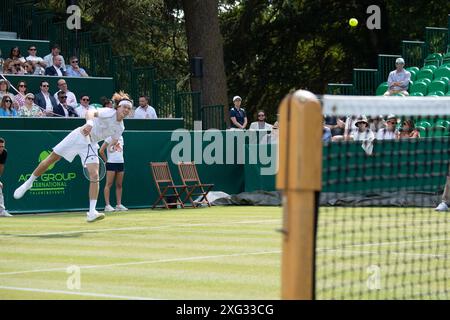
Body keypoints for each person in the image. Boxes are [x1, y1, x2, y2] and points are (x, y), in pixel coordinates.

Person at [13, 92, 133, 223]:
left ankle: (92, 212)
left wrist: (113, 147)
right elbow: (90, 112)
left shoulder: (121, 127)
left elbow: (113, 142)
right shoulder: (108, 112)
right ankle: (28, 183)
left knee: (95, 175)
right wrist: (89, 123)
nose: (126, 110)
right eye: (124, 107)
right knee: (52, 159)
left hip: (91, 144)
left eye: (129, 108)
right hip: (79, 136)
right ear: (118, 107)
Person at [100, 136, 128, 212]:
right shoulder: (108, 138)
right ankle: (107, 206)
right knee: (108, 184)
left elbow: (120, 150)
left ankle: (118, 205)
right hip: (111, 163)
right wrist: (106, 161)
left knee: (119, 185)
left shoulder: (121, 137)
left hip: (121, 163)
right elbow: (101, 150)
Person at [0, 137, 12, 217]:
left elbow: (1, 166)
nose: (1, 148)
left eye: (2, 146)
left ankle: (1, 211)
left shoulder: (4, 153)